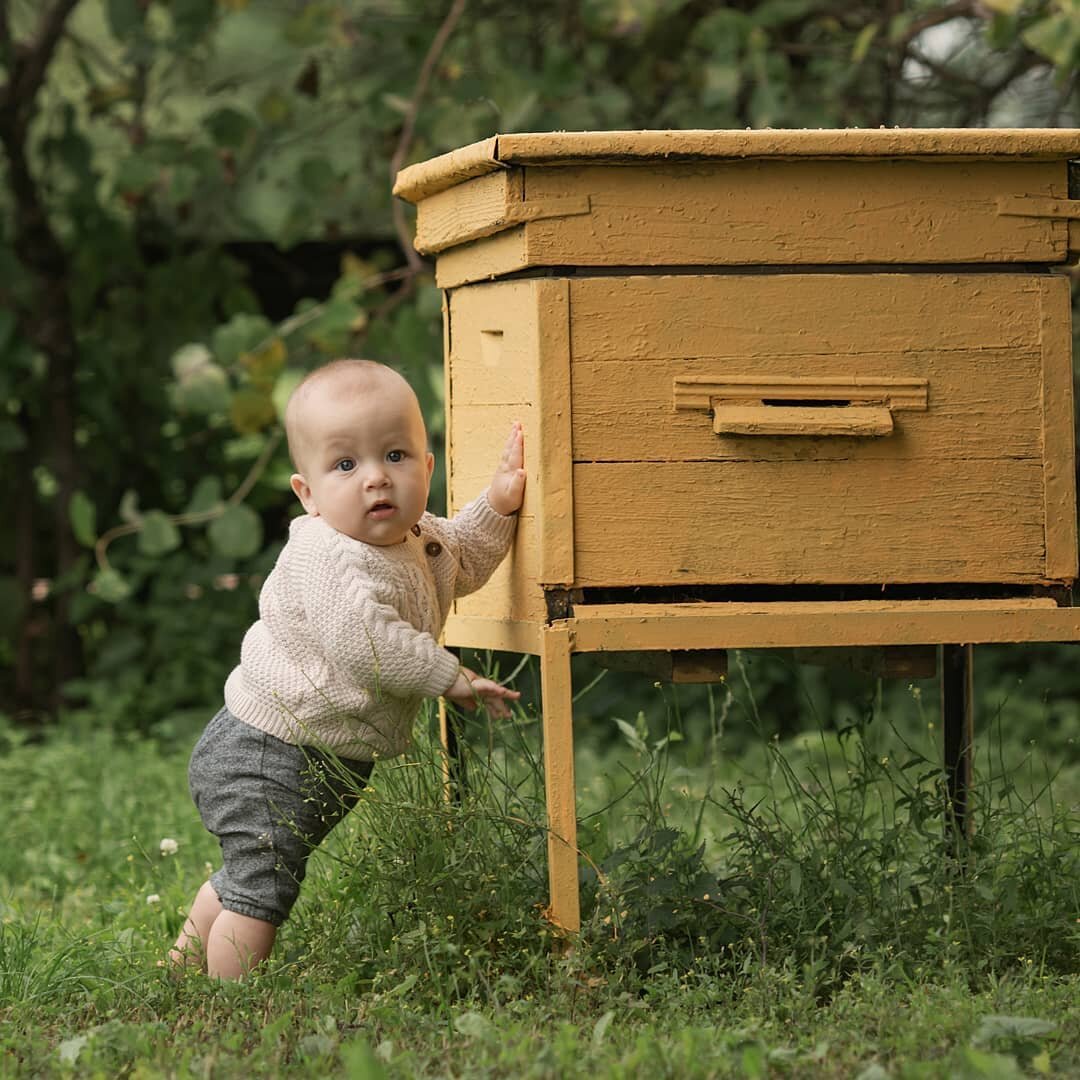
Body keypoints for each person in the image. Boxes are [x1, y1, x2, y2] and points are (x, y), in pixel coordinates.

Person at [169, 358, 525, 978]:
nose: (375, 480)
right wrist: (451, 678)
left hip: (308, 748)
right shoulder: (328, 557)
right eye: (344, 465)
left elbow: (463, 556)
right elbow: (370, 642)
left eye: (394, 455)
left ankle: (179, 971)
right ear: (306, 493)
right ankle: (228, 1009)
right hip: (268, 749)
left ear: (427, 464)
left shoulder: (415, 537)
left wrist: (498, 502)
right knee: (264, 890)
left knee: (251, 872)